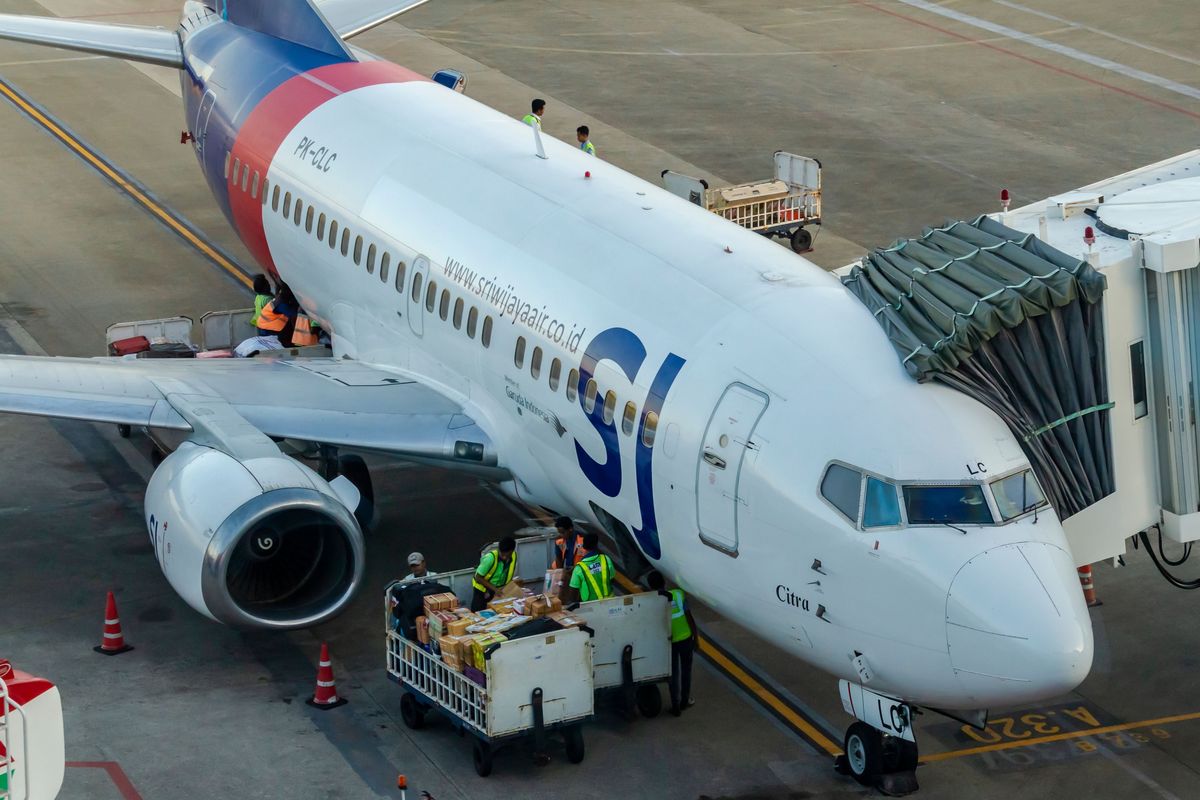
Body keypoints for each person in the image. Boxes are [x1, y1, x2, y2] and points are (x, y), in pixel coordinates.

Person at [648, 570, 696, 716]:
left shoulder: (653, 603)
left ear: (651, 587)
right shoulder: (678, 595)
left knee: (673, 674)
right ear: (664, 582)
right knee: (686, 671)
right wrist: (696, 637)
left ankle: (675, 706)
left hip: (670, 643)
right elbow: (689, 618)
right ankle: (684, 700)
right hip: (686, 638)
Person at [564, 532, 614, 604]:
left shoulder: (579, 568)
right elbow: (611, 579)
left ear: (583, 546)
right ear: (596, 545)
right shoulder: (606, 559)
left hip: (590, 606)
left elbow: (573, 594)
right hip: (611, 602)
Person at [470, 536, 517, 611]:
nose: (504, 557)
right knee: (478, 612)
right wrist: (495, 589)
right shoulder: (490, 558)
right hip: (482, 590)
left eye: (507, 555)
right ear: (499, 550)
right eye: (502, 554)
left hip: (496, 590)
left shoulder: (514, 556)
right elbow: (478, 577)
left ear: (512, 551)